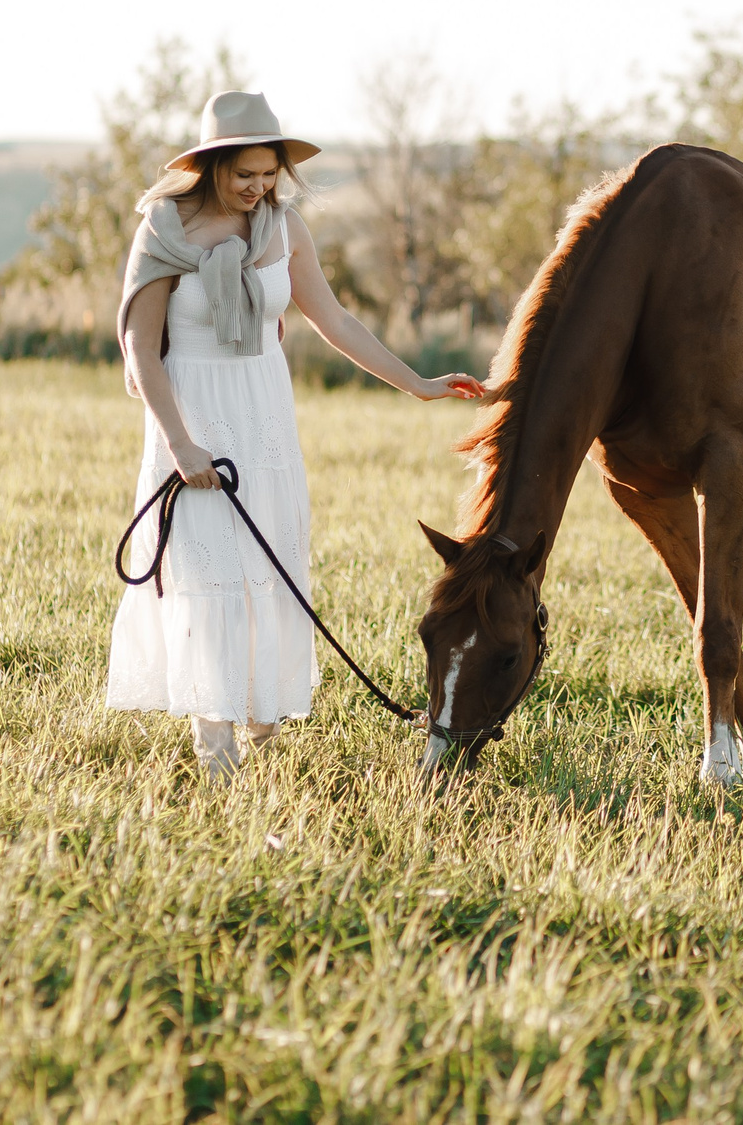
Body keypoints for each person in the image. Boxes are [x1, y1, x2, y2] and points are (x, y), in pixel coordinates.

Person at [105, 90, 483, 776]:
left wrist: (419, 382)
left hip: (264, 410)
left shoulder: (284, 227)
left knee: (265, 568)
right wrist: (181, 444)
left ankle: (262, 721)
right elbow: (140, 346)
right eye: (244, 173)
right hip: (190, 412)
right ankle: (213, 746)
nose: (258, 187)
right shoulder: (164, 227)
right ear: (212, 164)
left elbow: (336, 323)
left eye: (268, 173)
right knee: (207, 571)